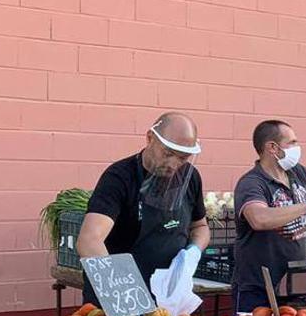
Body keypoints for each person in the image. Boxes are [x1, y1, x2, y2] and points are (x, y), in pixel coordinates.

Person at [77, 112, 209, 302]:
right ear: (150, 138)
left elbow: (200, 227)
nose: (173, 164)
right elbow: (89, 240)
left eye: (183, 158)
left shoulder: (191, 177)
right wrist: (120, 289)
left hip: (167, 296)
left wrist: (193, 252)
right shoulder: (119, 177)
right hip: (118, 297)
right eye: (168, 153)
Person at [232, 120, 306, 313]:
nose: (297, 148)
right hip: (259, 288)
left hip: (296, 283)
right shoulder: (252, 183)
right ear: (272, 148)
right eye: (292, 142)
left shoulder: (298, 173)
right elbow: (259, 218)